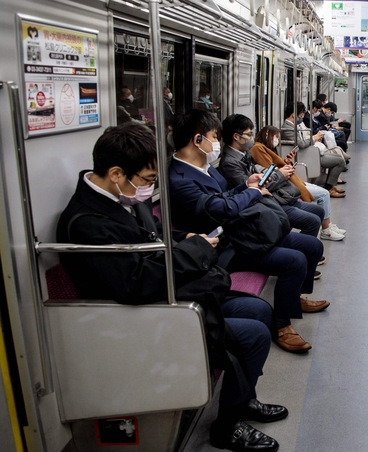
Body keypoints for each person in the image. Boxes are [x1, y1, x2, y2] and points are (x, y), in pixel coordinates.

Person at [56, 123, 285, 451]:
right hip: (139, 315)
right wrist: (200, 250)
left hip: (167, 293)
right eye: (148, 180)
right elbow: (135, 282)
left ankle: (244, 398)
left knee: (260, 310)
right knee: (254, 335)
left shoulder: (121, 195)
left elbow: (153, 235)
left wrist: (185, 238)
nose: (150, 188)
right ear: (117, 173)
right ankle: (227, 428)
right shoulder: (90, 224)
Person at [168, 109, 328, 354]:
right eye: (214, 137)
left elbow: (225, 196)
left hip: (241, 232)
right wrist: (251, 192)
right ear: (197, 140)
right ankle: (282, 326)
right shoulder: (180, 180)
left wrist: (245, 185)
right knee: (294, 260)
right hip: (224, 246)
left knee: (312, 246)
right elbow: (220, 208)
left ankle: (294, 297)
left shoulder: (206, 168)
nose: (217, 143)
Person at [219, 114, 325, 238]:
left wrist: (277, 171)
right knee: (313, 221)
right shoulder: (229, 163)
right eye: (249, 134)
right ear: (236, 137)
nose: (252, 138)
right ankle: (300, 247)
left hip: (273, 196)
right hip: (263, 202)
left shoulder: (243, 153)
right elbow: (250, 187)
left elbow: (257, 170)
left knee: (319, 211)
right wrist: (280, 175)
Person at [252, 125, 346, 241]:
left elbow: (274, 167)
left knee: (322, 197)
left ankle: (327, 226)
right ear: (267, 135)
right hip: (283, 186)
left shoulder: (266, 148)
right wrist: (284, 170)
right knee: (324, 194)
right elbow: (270, 170)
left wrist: (286, 162)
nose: (277, 140)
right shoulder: (258, 148)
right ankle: (326, 229)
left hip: (288, 182)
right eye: (275, 137)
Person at [282, 102, 346, 198]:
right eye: (301, 115)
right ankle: (329, 188)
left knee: (337, 157)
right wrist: (314, 138)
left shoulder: (294, 125)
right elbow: (301, 144)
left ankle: (330, 186)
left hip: (309, 152)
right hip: (305, 155)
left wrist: (313, 137)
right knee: (339, 161)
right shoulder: (288, 128)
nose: (302, 117)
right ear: (294, 115)